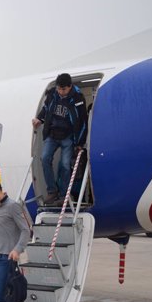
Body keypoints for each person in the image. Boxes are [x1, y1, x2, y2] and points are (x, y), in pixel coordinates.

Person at [32, 73, 88, 204]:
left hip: (68, 137)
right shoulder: (53, 94)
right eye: (58, 88)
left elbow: (83, 122)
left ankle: (63, 195)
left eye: (63, 89)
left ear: (70, 87)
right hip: (52, 135)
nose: (60, 92)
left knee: (65, 165)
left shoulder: (78, 98)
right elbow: (46, 108)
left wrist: (80, 142)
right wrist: (39, 119)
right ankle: (52, 191)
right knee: (45, 159)